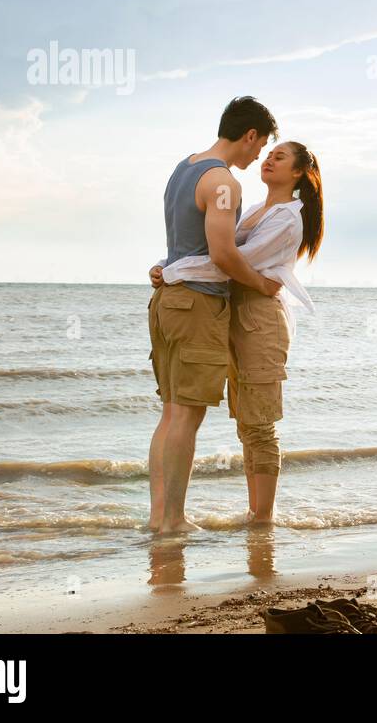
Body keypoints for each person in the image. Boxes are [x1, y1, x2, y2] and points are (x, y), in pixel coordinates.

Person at [150, 141, 323, 526]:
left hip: (260, 321)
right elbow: (214, 247)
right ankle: (255, 515)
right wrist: (167, 264)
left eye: (279, 157)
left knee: (259, 423)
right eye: (268, 153)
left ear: (298, 173)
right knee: (244, 425)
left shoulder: (288, 218)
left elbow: (232, 260)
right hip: (230, 313)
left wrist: (175, 270)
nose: (268, 159)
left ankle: (262, 519)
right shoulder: (259, 210)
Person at [147, 97, 282, 535]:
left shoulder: (183, 168)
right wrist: (262, 285)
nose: (258, 155)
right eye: (260, 146)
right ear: (249, 135)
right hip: (198, 305)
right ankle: (173, 522)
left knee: (170, 414)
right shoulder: (223, 181)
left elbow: (182, 245)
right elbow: (223, 253)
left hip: (168, 300)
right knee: (187, 416)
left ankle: (159, 518)